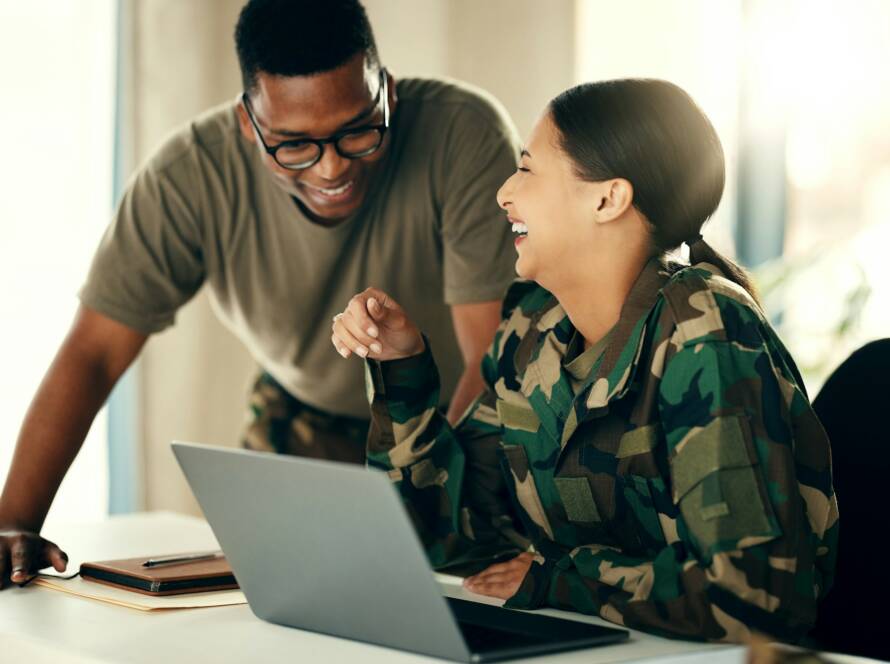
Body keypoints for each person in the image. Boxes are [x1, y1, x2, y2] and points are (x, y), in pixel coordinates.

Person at [0, 0, 519, 589]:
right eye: (293, 145)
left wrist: (436, 506)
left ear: (388, 94)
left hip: (454, 423)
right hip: (301, 418)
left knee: (453, 596)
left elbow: (492, 357)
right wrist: (12, 523)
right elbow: (93, 353)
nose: (330, 171)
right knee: (279, 611)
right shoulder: (189, 178)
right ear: (248, 123)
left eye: (358, 132)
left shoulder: (462, 132)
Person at [331, 79, 839, 643]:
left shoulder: (705, 330)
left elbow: (752, 597)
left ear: (607, 199)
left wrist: (564, 579)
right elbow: (445, 538)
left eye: (526, 170)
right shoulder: (533, 328)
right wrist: (402, 369)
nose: (504, 194)